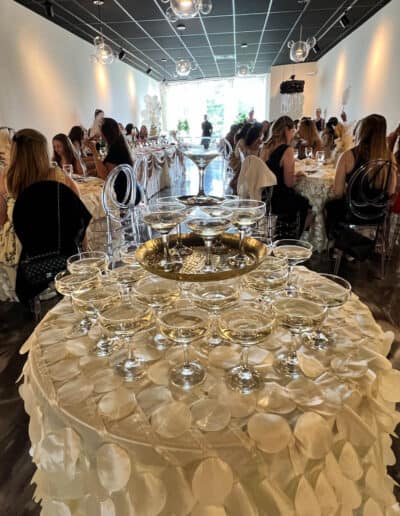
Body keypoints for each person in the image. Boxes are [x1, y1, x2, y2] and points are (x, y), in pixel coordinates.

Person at [0, 129, 81, 265]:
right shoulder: (59, 176)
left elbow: (1, 219)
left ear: (14, 152)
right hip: (56, 252)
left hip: (18, 255)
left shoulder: (5, 179)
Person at [325, 114, 397, 237]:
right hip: (377, 215)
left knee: (328, 206)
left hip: (351, 213)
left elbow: (337, 193)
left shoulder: (348, 156)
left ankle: (339, 244)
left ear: (362, 131)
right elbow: (390, 192)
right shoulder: (389, 159)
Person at [260, 116, 311, 236]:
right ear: (286, 130)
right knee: (309, 205)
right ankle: (296, 238)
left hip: (265, 197)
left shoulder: (265, 147)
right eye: (293, 131)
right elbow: (289, 183)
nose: (293, 135)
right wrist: (296, 176)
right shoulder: (287, 150)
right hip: (279, 199)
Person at [86, 117, 141, 204]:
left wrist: (94, 151)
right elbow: (101, 165)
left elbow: (106, 177)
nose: (96, 134)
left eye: (98, 131)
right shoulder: (116, 143)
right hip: (133, 189)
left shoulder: (115, 149)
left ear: (105, 132)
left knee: (94, 201)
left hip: (124, 195)